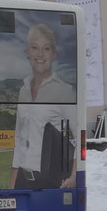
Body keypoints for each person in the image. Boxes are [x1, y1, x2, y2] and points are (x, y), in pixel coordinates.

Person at [11, 23, 76, 189]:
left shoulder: (65, 91)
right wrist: (12, 186)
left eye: (46, 48)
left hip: (51, 181)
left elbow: (80, 139)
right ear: (27, 52)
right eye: (34, 47)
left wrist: (73, 176)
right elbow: (18, 140)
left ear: (53, 54)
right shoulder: (23, 91)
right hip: (22, 180)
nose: (40, 54)